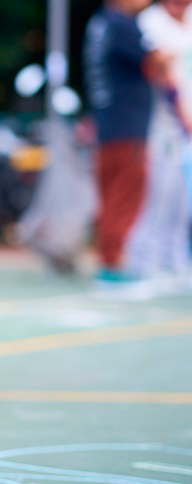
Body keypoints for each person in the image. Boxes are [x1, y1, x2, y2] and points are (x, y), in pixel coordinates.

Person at [83, 0, 165, 290]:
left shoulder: (99, 24)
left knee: (110, 195)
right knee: (125, 194)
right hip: (127, 125)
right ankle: (112, 264)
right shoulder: (122, 24)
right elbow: (153, 62)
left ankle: (108, 260)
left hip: (107, 123)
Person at [126, 0, 192, 291]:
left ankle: (175, 258)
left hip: (184, 124)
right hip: (160, 124)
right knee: (157, 193)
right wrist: (182, 114)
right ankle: (143, 260)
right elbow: (159, 70)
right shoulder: (150, 22)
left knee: (182, 196)